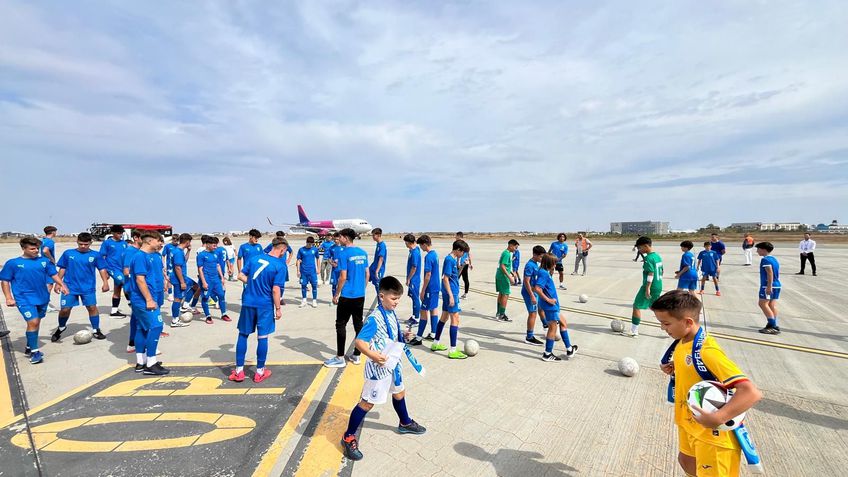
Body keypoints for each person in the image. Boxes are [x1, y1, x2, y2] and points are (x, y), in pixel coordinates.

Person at [654, 290, 762, 477]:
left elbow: (751, 392)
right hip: (690, 424)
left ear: (688, 322)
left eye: (666, 323)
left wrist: (719, 417)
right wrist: (676, 367)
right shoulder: (683, 342)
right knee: (686, 462)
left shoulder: (707, 351)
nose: (663, 328)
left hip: (712, 435)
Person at [340, 276, 426, 461]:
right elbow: (360, 342)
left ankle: (404, 422)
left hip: (392, 364)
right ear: (382, 296)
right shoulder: (374, 318)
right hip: (378, 369)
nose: (396, 302)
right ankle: (348, 437)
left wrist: (402, 334)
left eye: (398, 299)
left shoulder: (390, 312)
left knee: (399, 393)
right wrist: (373, 356)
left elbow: (389, 334)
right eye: (393, 299)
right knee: (367, 403)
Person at [1, 237, 69, 364]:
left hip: (42, 298)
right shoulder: (13, 263)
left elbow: (53, 274)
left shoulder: (44, 261)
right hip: (24, 299)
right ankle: (35, 352)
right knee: (33, 322)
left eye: (37, 248)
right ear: (23, 248)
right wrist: (9, 298)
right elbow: (5, 280)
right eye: (32, 248)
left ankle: (29, 345)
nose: (36, 251)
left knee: (36, 322)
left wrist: (62, 285)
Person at [230, 237, 288, 383]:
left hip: (248, 302)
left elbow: (240, 275)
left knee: (243, 335)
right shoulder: (280, 266)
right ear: (281, 249)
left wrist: (253, 283)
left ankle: (239, 371)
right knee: (262, 337)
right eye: (284, 251)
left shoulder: (255, 259)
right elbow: (276, 290)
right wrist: (278, 308)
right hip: (265, 305)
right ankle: (260, 371)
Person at [52, 233, 110, 342]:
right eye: (81, 244)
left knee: (92, 308)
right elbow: (62, 268)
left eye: (86, 244)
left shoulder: (96, 255)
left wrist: (105, 282)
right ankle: (61, 327)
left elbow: (102, 269)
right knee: (65, 310)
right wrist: (58, 283)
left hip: (88, 288)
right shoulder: (68, 253)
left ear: (90, 243)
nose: (83, 246)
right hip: (69, 287)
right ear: (77, 242)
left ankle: (96, 330)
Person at [326, 228, 370, 368]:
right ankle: (357, 355)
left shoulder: (344, 253)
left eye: (340, 237)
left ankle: (340, 358)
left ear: (345, 238)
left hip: (347, 295)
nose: (339, 239)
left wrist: (336, 294)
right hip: (360, 295)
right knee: (358, 325)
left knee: (341, 324)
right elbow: (367, 274)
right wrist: (361, 288)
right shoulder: (363, 253)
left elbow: (343, 276)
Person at [129, 231, 169, 375]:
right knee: (157, 326)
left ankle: (141, 361)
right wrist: (149, 299)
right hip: (144, 300)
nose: (161, 244)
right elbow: (140, 279)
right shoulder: (140, 257)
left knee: (142, 328)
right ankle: (151, 363)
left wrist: (164, 282)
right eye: (159, 241)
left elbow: (157, 273)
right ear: (150, 241)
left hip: (155, 296)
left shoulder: (156, 256)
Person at [431, 239, 470, 359]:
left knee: (445, 316)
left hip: (451, 291)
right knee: (455, 318)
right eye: (462, 252)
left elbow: (454, 276)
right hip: (451, 292)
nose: (463, 255)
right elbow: (445, 279)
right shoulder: (449, 260)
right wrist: (451, 296)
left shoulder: (453, 259)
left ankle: (435, 343)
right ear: (458, 250)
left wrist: (462, 265)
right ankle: (453, 350)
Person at [535, 253, 578, 361]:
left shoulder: (544, 272)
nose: (555, 265)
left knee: (563, 323)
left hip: (553, 306)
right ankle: (547, 354)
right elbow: (537, 289)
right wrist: (548, 299)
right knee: (553, 328)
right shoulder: (543, 274)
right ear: (549, 263)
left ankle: (569, 349)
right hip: (550, 306)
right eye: (554, 263)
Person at [625, 236, 663, 338]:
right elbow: (661, 271)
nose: (639, 250)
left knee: (636, 306)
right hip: (658, 285)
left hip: (650, 286)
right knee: (654, 307)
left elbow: (651, 273)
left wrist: (647, 288)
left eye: (640, 248)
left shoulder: (648, 258)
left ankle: (634, 331)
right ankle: (670, 325)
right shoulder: (657, 256)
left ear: (646, 246)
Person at [409, 235, 439, 345]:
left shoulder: (428, 257)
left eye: (421, 245)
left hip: (430, 288)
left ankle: (419, 337)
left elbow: (428, 275)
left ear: (425, 244)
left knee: (423, 311)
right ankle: (433, 333)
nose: (421, 248)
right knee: (433, 309)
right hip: (436, 287)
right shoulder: (435, 254)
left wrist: (423, 290)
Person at [197, 237, 230, 324]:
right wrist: (203, 282)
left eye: (216, 245)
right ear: (208, 245)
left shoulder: (215, 254)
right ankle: (208, 316)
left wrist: (222, 277)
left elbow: (218, 265)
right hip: (207, 279)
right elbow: (200, 269)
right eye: (214, 245)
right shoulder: (201, 255)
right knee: (205, 298)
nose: (215, 247)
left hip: (216, 279)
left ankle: (224, 314)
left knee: (221, 295)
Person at [169, 233, 199, 328]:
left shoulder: (179, 250)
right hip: (179, 278)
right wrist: (182, 282)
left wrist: (188, 251)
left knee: (196, 286)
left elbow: (183, 262)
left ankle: (185, 305)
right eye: (189, 242)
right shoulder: (177, 252)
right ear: (187, 242)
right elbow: (177, 267)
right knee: (177, 299)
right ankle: (175, 320)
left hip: (183, 276)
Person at [100, 224, 129, 317]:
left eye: (121, 233)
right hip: (112, 268)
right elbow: (102, 257)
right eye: (118, 233)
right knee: (125, 283)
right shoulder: (107, 243)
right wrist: (105, 272)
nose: (120, 235)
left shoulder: (124, 243)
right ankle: (132, 304)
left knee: (118, 288)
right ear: (113, 233)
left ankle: (114, 311)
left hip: (122, 269)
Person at [122, 230, 143, 352]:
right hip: (133, 288)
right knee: (137, 316)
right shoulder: (130, 252)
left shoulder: (139, 251)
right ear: (136, 238)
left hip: (139, 288)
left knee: (138, 315)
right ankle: (132, 343)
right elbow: (126, 271)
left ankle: (135, 342)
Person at [522, 246, 547, 346]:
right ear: (535, 255)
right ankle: (529, 337)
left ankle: (546, 324)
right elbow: (526, 281)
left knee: (541, 308)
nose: (542, 259)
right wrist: (532, 295)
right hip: (529, 293)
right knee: (533, 313)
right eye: (541, 257)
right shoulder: (530, 265)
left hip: (535, 292)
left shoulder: (536, 264)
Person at [757, 242, 782, 335]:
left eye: (758, 249)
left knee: (762, 303)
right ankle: (771, 323)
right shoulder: (773, 259)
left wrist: (768, 286)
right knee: (772, 305)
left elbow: (770, 273)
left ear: (763, 249)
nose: (757, 251)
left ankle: (773, 325)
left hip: (767, 285)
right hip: (777, 285)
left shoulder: (765, 260)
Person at [495, 240, 519, 322]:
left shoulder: (505, 253)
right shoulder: (507, 254)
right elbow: (502, 266)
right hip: (503, 277)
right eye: (515, 247)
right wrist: (509, 277)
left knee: (501, 294)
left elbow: (505, 266)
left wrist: (512, 272)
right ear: (511, 245)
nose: (515, 249)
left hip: (500, 275)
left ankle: (498, 313)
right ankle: (502, 314)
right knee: (505, 295)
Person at [296, 236, 320, 308]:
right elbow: (298, 260)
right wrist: (298, 270)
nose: (310, 245)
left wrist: (318, 268)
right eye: (309, 244)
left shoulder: (315, 250)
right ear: (306, 242)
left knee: (314, 286)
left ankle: (314, 301)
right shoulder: (301, 250)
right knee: (303, 286)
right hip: (303, 271)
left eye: (312, 244)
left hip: (312, 271)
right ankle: (304, 300)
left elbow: (318, 259)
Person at [40, 225, 59, 312]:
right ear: (53, 232)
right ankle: (45, 305)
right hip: (49, 265)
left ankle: (44, 302)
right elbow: (45, 251)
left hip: (42, 264)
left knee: (44, 284)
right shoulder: (50, 242)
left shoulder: (43, 240)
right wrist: (52, 259)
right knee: (49, 285)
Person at [403, 234, 422, 326]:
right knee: (413, 297)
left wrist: (408, 279)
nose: (405, 245)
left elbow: (414, 267)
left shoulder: (415, 252)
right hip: (413, 279)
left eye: (405, 243)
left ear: (408, 242)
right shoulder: (414, 250)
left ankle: (417, 318)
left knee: (415, 298)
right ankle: (414, 315)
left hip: (414, 279)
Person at [369, 228, 387, 296]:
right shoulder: (378, 244)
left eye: (374, 235)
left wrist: (377, 270)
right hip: (374, 267)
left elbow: (381, 258)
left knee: (378, 287)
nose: (372, 237)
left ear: (379, 235)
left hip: (379, 269)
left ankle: (381, 305)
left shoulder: (382, 245)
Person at [456, 232, 473, 299]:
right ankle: (465, 294)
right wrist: (470, 264)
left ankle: (455, 293)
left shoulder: (459, 244)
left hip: (461, 264)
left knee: (456, 278)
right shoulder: (466, 244)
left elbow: (458, 255)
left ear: (459, 236)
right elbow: (469, 255)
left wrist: (457, 264)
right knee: (465, 279)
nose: (455, 237)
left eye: (456, 236)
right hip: (466, 263)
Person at [162, 235, 179, 299]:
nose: (175, 240)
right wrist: (164, 265)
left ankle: (176, 293)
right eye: (174, 239)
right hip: (170, 266)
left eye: (177, 239)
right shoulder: (167, 246)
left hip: (177, 265)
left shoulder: (179, 246)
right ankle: (170, 293)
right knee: (169, 280)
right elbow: (163, 255)